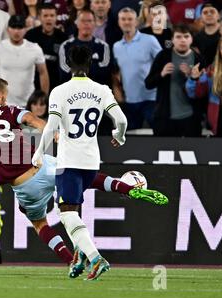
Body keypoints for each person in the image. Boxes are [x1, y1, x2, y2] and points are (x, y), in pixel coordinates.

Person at [0, 76, 168, 276]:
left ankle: (69, 259)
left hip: (24, 186)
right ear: (3, 97)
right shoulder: (11, 111)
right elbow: (33, 120)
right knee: (87, 177)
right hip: (44, 166)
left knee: (40, 224)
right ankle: (128, 188)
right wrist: (53, 133)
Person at [32, 45, 168, 280]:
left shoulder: (60, 91)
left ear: (67, 64)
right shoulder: (102, 89)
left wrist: (38, 153)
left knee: (66, 214)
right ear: (90, 64)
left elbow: (52, 126)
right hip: (91, 161)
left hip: (69, 161)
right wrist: (120, 135)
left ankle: (95, 257)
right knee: (72, 208)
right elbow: (122, 120)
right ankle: (79, 255)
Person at [145, 24, 205, 137]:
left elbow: (203, 92)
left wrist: (193, 77)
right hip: (165, 117)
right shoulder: (163, 56)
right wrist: (161, 74)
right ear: (172, 39)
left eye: (186, 36)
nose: (182, 40)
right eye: (178, 37)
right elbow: (148, 84)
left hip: (191, 118)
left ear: (191, 39)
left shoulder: (198, 59)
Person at [112, 7, 162, 130]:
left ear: (136, 22)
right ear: (119, 22)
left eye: (130, 19)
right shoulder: (116, 46)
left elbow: (162, 62)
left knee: (159, 134)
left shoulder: (150, 40)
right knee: (130, 139)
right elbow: (117, 74)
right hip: (129, 101)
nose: (127, 22)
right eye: (123, 19)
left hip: (151, 98)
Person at [0, 14, 50, 107]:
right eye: (13, 27)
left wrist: (44, 98)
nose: (16, 31)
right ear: (8, 29)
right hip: (3, 104)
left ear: (25, 29)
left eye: (20, 27)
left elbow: (43, 73)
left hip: (28, 103)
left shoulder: (35, 48)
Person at [186, 38, 222, 136]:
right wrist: (194, 79)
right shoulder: (211, 71)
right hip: (219, 123)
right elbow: (195, 94)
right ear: (219, 51)